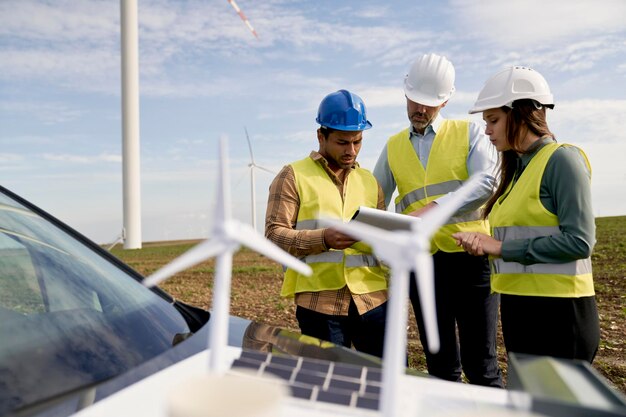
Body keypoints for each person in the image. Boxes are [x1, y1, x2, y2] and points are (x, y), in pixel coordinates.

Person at [454, 66, 600, 363]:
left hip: (561, 315)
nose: (487, 130)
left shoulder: (562, 160)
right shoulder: (516, 171)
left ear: (520, 113)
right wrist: (484, 244)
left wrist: (500, 247)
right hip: (519, 309)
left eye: (493, 120)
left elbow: (580, 242)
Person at [373, 53, 503, 387]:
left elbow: (486, 182)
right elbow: (374, 199)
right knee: (440, 366)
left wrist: (432, 209)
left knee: (481, 365)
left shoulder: (470, 134)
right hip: (423, 266)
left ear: (445, 100)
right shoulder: (392, 148)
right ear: (405, 94)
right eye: (415, 101)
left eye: (430, 104)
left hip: (472, 260)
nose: (421, 110)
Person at [265, 89, 389, 358]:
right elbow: (274, 235)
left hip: (373, 299)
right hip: (320, 304)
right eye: (343, 142)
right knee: (332, 385)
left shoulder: (370, 181)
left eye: (357, 142)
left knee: (391, 380)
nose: (351, 150)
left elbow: (383, 240)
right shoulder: (292, 175)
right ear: (321, 136)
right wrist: (323, 239)